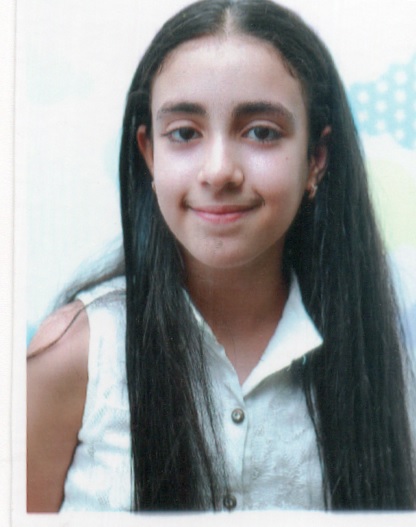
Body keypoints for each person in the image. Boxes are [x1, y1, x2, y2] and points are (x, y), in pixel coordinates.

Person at [27, 0, 416, 513]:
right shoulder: (76, 354)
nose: (217, 171)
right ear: (149, 153)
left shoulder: (377, 357)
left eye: (261, 132)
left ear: (316, 159)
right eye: (185, 133)